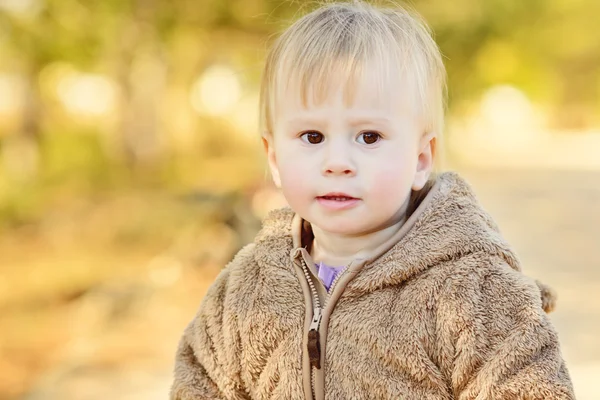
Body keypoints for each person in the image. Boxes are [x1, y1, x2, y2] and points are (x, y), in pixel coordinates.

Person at [170, 1, 575, 399]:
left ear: (420, 160)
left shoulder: (471, 292)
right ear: (274, 158)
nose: (337, 162)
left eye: (369, 137)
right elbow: (198, 385)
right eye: (312, 137)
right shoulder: (247, 288)